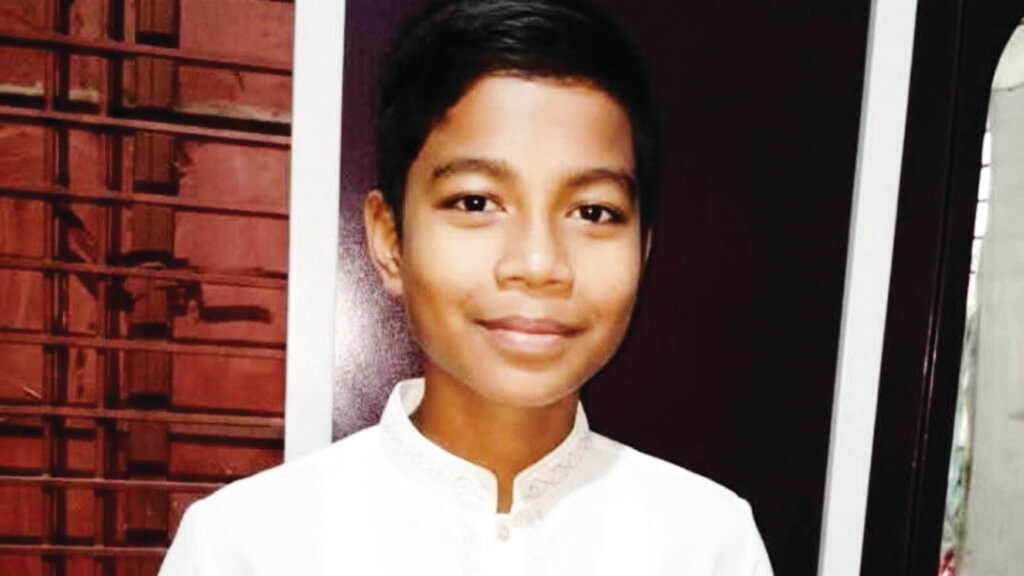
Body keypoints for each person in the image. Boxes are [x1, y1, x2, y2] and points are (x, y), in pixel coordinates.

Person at [159, 1, 773, 574]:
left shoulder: (709, 544)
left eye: (593, 211)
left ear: (643, 249)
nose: (539, 263)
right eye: (476, 202)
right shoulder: (242, 548)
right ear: (390, 239)